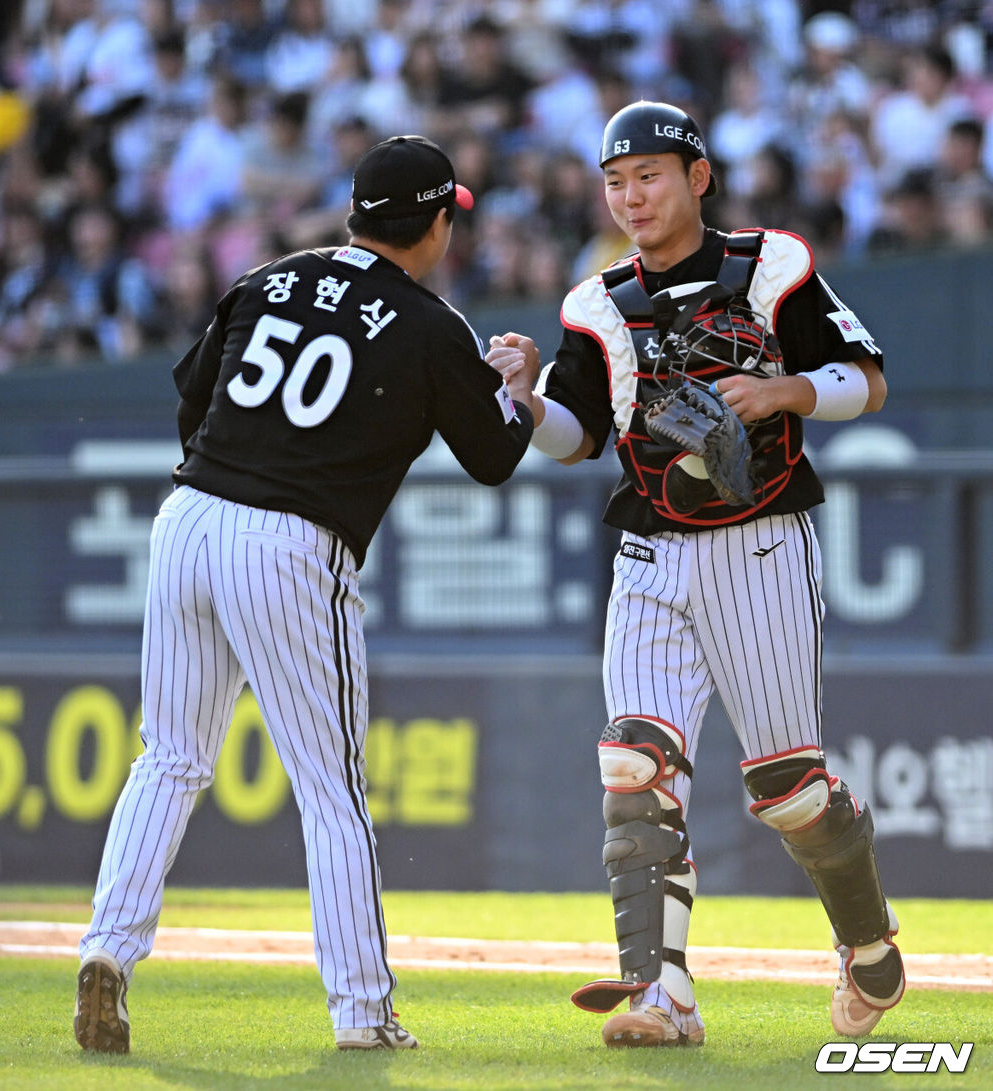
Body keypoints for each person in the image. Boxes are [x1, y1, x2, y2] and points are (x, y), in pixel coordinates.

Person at [74, 134, 535, 1054]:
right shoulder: (432, 323)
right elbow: (493, 457)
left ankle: (107, 953)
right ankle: (362, 1011)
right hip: (287, 541)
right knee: (333, 791)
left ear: (359, 212)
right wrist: (515, 387)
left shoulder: (273, 277)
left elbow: (190, 398)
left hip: (190, 515)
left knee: (167, 757)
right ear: (437, 221)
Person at [487, 101, 905, 1049]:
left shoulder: (771, 266)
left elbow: (867, 377)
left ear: (697, 177)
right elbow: (577, 436)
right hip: (649, 545)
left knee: (791, 790)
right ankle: (663, 993)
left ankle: (865, 933)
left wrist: (784, 389)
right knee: (634, 764)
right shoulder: (596, 304)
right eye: (616, 180)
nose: (632, 196)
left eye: (650, 175)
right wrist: (525, 399)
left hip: (761, 539)